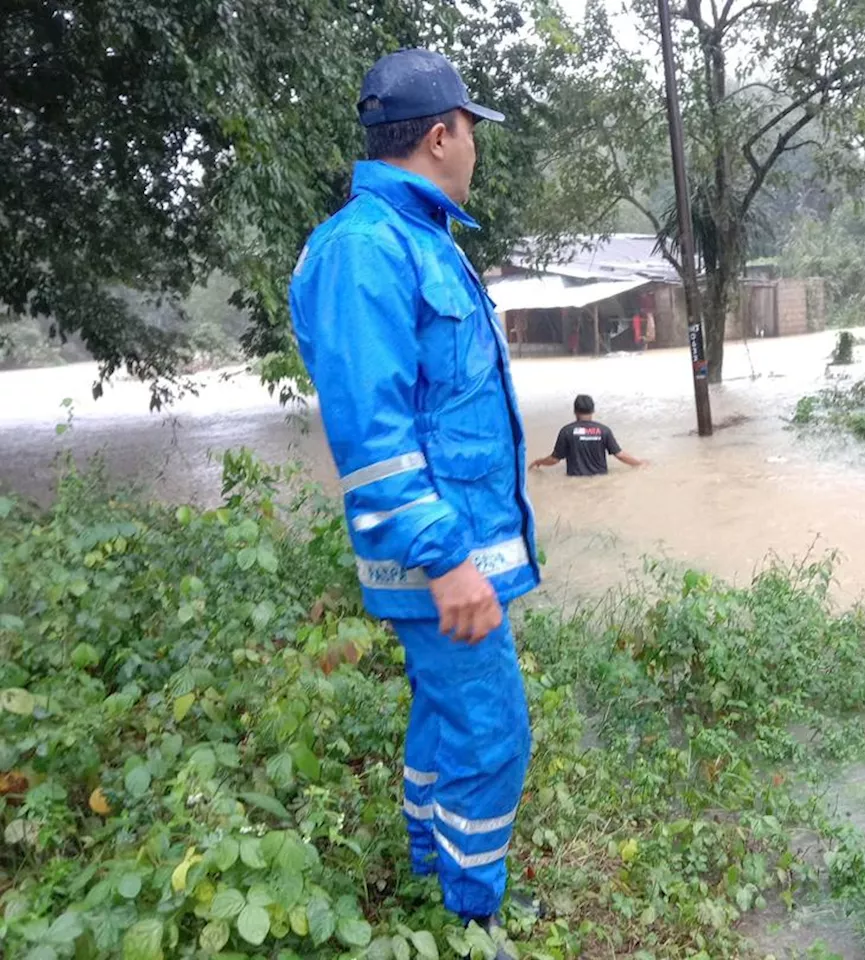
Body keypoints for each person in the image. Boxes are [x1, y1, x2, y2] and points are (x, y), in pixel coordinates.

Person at [288, 49, 537, 949]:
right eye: (471, 131)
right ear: (440, 135)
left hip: (461, 551)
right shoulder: (364, 249)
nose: (476, 150)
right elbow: (374, 436)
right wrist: (447, 560)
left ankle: (432, 870)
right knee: (493, 732)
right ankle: (474, 920)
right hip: (445, 561)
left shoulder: (419, 238)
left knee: (444, 715)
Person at [530, 395, 644, 476]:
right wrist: (640, 463)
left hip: (574, 482)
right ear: (593, 410)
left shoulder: (566, 431)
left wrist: (538, 462)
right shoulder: (604, 431)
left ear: (574, 411)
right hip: (600, 481)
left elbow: (554, 459)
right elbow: (620, 455)